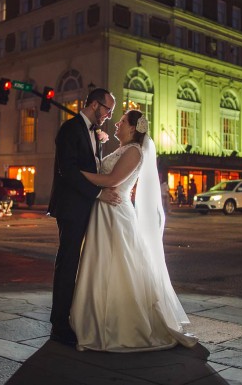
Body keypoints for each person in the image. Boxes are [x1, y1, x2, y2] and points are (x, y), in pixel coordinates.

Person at [70, 110, 198, 352]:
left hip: (117, 215)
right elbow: (104, 173)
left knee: (119, 266)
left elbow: (111, 181)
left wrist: (75, 174)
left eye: (121, 121)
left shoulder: (134, 152)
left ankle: (122, 325)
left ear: (132, 128)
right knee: (100, 264)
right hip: (104, 212)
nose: (116, 124)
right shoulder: (121, 150)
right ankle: (96, 321)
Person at [47, 87, 120, 346]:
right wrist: (98, 194)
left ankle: (77, 316)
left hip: (85, 206)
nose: (109, 116)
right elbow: (67, 170)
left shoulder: (92, 132)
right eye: (107, 110)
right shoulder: (70, 129)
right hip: (70, 207)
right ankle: (59, 324)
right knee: (68, 264)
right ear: (94, 104)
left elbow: (89, 167)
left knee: (81, 264)